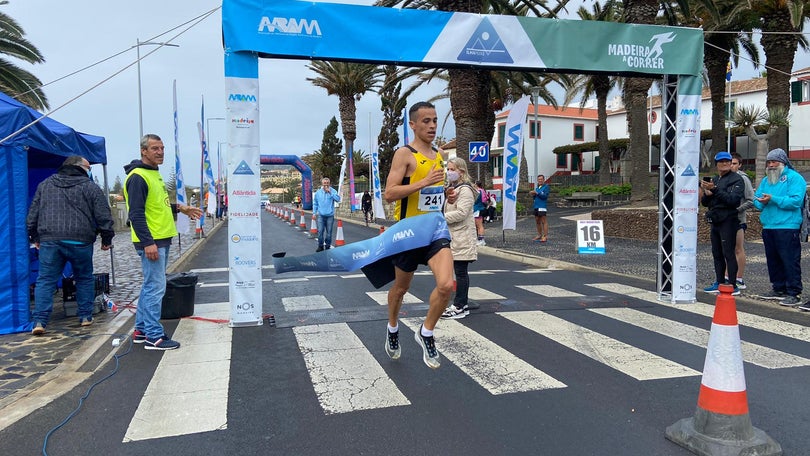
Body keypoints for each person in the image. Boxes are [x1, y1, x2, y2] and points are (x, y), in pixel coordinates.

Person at [383, 101, 454, 369]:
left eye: (435, 120)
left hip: (435, 229)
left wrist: (446, 195)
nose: (432, 125)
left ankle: (426, 332)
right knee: (401, 289)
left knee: (447, 285)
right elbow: (390, 194)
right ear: (413, 125)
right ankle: (392, 327)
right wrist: (422, 182)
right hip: (409, 232)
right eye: (426, 121)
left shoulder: (438, 155)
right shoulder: (405, 154)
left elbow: (431, 197)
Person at [124, 134, 202, 350]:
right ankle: (153, 336)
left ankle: (141, 330)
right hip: (152, 241)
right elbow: (137, 214)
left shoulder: (153, 174)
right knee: (156, 288)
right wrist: (148, 242)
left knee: (150, 286)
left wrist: (181, 208)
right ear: (143, 151)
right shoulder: (138, 177)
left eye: (162, 148)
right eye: (155, 148)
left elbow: (158, 205)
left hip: (160, 238)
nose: (160, 152)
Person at [27, 156, 115, 334]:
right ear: (80, 167)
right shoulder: (89, 187)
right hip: (80, 240)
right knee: (83, 278)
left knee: (45, 281)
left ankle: (40, 322)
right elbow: (103, 214)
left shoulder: (45, 185)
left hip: (50, 239)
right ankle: (85, 317)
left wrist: (34, 235)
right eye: (88, 167)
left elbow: (33, 213)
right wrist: (106, 238)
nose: (89, 170)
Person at [753, 148, 807, 306]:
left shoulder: (794, 178)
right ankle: (778, 288)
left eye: (774, 161)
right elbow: (757, 199)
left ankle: (794, 292)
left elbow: (796, 201)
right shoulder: (766, 180)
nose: (770, 165)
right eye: (769, 162)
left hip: (788, 225)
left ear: (783, 162)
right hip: (769, 225)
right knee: (773, 259)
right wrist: (761, 202)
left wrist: (772, 198)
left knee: (789, 259)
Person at [700, 151, 745, 295]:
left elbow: (733, 201)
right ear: (717, 164)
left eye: (727, 161)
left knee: (729, 252)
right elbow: (707, 203)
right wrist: (707, 194)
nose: (724, 164)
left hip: (729, 220)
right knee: (716, 252)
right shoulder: (715, 179)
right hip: (715, 219)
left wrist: (714, 189)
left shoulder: (737, 179)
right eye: (721, 162)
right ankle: (719, 282)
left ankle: (732, 284)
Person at [440, 157, 478, 319]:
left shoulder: (466, 190)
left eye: (452, 169)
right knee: (456, 271)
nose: (449, 172)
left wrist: (441, 217)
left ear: (461, 171)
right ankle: (460, 303)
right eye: (448, 169)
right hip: (453, 236)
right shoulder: (452, 188)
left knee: (461, 272)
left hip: (462, 236)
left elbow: (462, 213)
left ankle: (460, 305)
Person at [729, 152, 754, 289]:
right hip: (725, 220)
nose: (731, 166)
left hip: (738, 220)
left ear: (739, 165)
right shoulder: (724, 178)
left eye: (734, 163)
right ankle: (727, 277)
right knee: (727, 249)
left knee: (738, 249)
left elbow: (751, 200)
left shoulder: (743, 179)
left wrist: (737, 209)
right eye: (730, 163)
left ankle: (739, 278)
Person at [313, 177, 340, 252]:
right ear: (322, 184)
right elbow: (315, 203)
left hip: (330, 216)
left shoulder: (333, 191)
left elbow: (338, 199)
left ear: (329, 183)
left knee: (329, 233)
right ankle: (320, 246)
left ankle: (327, 246)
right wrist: (314, 213)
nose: (326, 185)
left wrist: (330, 192)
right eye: (324, 183)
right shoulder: (318, 193)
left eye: (327, 183)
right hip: (321, 216)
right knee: (320, 232)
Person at [529, 174, 550, 242]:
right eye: (539, 180)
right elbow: (536, 197)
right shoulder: (538, 188)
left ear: (544, 180)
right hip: (536, 206)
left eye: (541, 179)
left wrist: (537, 193)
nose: (540, 180)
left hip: (542, 206)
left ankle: (545, 236)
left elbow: (545, 196)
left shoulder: (546, 187)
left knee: (544, 221)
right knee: (537, 221)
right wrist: (533, 194)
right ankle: (539, 235)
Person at [473, 181, 487, 245]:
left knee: (479, 225)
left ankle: (481, 240)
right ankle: (478, 239)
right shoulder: (482, 190)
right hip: (479, 208)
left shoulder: (477, 191)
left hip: (477, 209)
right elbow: (485, 200)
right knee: (477, 225)